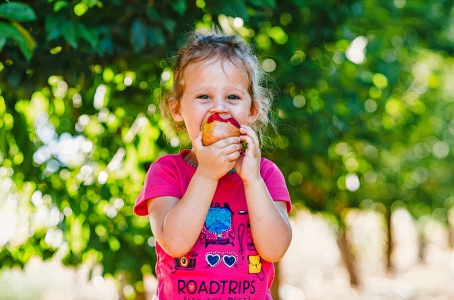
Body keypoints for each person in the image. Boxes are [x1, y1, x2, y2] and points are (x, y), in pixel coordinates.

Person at [134, 29, 292, 300]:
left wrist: (252, 181)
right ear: (176, 109)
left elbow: (275, 249)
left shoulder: (265, 174)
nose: (219, 108)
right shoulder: (166, 172)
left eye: (233, 97)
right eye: (203, 97)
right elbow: (174, 242)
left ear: (252, 110)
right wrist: (207, 174)